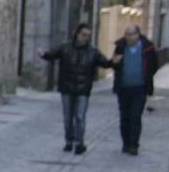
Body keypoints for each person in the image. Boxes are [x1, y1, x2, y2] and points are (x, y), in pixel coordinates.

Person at [39, 23, 116, 155]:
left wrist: (114, 62)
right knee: (68, 117)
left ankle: (79, 142)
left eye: (88, 36)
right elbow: (53, 54)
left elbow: (104, 63)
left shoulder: (93, 51)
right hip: (67, 87)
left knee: (80, 116)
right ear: (77, 34)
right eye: (83, 35)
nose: (85, 38)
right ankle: (69, 141)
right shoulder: (65, 47)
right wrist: (44, 54)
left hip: (83, 89)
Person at [111, 24, 159, 155]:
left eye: (131, 34)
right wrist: (115, 62)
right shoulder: (120, 47)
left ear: (138, 35)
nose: (129, 37)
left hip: (140, 88)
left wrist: (146, 77)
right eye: (127, 34)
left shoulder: (147, 48)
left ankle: (134, 145)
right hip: (124, 88)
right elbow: (114, 64)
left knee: (135, 116)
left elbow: (154, 65)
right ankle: (126, 143)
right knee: (124, 116)